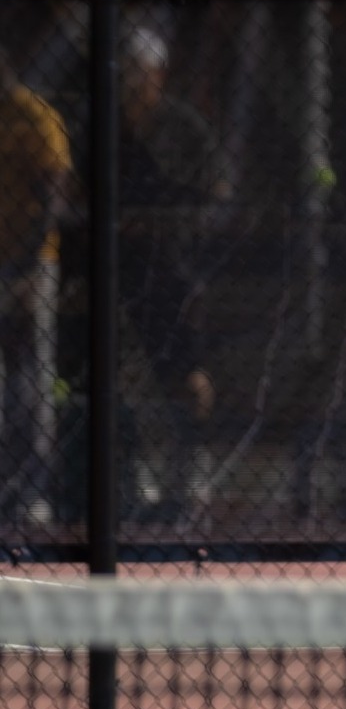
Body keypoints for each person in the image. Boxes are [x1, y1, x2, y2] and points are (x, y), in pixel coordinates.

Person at [115, 25, 225, 521]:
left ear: (158, 73)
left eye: (141, 70)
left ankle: (192, 467)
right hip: (123, 266)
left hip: (176, 265)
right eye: (125, 70)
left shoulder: (181, 126)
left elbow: (216, 188)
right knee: (120, 373)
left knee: (186, 372)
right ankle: (132, 476)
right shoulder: (109, 125)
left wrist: (168, 217)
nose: (132, 80)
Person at [0, 47, 73, 525]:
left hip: (29, 262)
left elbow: (56, 194)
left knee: (31, 381)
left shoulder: (33, 116)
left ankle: (33, 491)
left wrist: (26, 262)